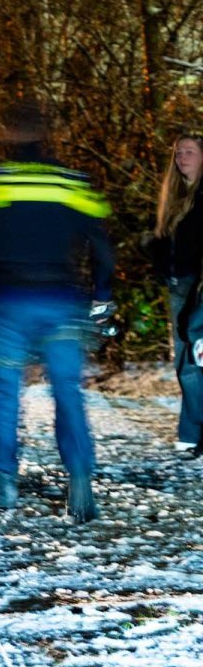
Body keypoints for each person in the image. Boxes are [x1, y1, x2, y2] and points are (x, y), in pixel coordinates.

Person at [0, 100, 114, 523]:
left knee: (8, 393)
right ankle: (80, 478)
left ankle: (4, 480)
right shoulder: (71, 182)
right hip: (62, 300)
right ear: (46, 136)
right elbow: (103, 243)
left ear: (8, 136)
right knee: (67, 391)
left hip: (10, 300)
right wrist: (102, 294)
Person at [149, 129, 203, 457]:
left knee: (196, 356)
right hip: (178, 285)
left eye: (189, 151)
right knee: (186, 363)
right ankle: (191, 433)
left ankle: (194, 432)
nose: (182, 157)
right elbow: (163, 241)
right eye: (178, 152)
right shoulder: (175, 196)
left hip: (200, 286)